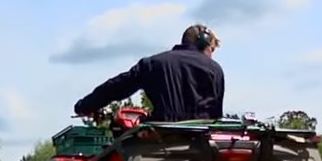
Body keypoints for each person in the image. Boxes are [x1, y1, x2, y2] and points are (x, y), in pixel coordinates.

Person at [74, 24, 225, 122]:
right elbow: (217, 115)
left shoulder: (153, 64)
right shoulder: (216, 70)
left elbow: (116, 87)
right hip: (203, 147)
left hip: (162, 142)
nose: (212, 55)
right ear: (203, 44)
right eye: (212, 49)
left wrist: (85, 106)